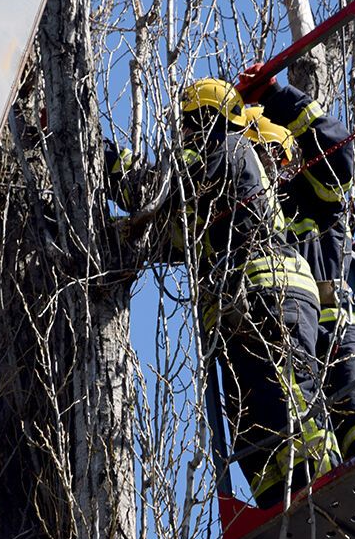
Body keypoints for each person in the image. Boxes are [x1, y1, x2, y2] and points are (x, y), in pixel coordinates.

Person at [106, 78, 338, 508]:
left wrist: (101, 158)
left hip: (266, 295)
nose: (183, 135)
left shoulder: (226, 149)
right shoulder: (211, 193)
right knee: (254, 423)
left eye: (188, 125)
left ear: (204, 119)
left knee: (288, 396)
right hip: (241, 307)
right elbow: (170, 233)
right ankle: (277, 502)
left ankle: (325, 482)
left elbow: (151, 191)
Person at [239, 67, 355, 461]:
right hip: (290, 335)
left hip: (337, 332)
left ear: (279, 154)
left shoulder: (314, 194)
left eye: (261, 155)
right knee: (303, 450)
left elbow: (336, 151)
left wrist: (276, 95)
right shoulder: (245, 219)